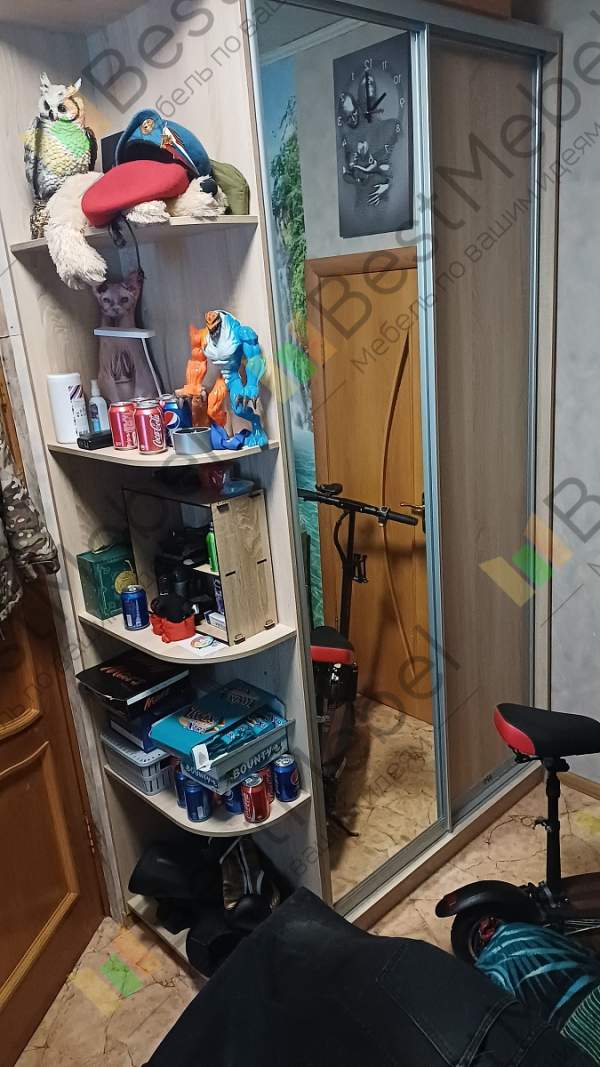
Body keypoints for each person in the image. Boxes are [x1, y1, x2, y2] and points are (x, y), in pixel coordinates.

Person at [477, 923, 600, 1063]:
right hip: (589, 995)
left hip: (570, 1035)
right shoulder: (519, 930)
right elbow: (585, 953)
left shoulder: (487, 975)